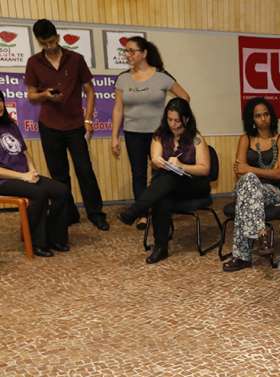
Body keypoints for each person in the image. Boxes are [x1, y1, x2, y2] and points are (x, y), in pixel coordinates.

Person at [24, 19, 108, 231]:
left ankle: (96, 213)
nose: (50, 47)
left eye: (52, 41)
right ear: (39, 42)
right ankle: (68, 213)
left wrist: (88, 119)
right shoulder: (34, 62)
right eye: (45, 44)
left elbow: (89, 91)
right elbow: (31, 95)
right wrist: (45, 95)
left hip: (75, 125)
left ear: (58, 37)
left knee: (85, 170)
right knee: (59, 174)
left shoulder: (76, 59)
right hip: (49, 125)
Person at [117, 98, 210, 264]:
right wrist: (158, 161)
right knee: (163, 194)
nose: (173, 124)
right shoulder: (159, 136)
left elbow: (205, 169)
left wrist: (181, 166)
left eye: (177, 120)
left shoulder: (196, 138)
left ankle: (136, 210)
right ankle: (161, 248)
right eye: (169, 119)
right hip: (169, 187)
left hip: (194, 185)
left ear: (186, 119)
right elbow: (154, 159)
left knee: (168, 178)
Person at [111, 36, 190, 229]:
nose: (127, 55)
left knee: (161, 172)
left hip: (159, 135)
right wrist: (114, 137)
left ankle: (162, 210)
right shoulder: (123, 78)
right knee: (138, 174)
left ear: (144, 53)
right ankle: (142, 214)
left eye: (131, 51)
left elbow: (184, 98)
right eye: (126, 51)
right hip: (133, 133)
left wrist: (175, 124)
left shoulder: (162, 76)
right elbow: (118, 109)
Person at [222, 97, 280, 272]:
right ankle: (261, 233)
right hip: (245, 188)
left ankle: (242, 256)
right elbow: (239, 171)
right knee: (249, 182)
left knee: (249, 184)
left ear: (271, 116)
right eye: (258, 115)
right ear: (252, 119)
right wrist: (256, 172)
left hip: (272, 191)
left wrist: (249, 169)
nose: (263, 118)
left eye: (266, 114)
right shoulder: (245, 139)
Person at [0, 90, 69, 256]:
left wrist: (31, 170)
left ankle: (55, 237)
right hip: (5, 180)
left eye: (0, 100)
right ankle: (37, 242)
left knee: (62, 190)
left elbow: (24, 152)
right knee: (39, 193)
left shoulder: (11, 125)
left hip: (24, 175)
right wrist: (23, 177)